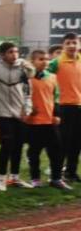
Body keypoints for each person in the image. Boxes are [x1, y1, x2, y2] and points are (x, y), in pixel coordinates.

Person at [0, 42, 32, 190]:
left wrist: (27, 109)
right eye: (10, 52)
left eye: (16, 52)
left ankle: (15, 177)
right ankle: (1, 178)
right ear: (1, 54)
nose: (14, 55)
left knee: (19, 145)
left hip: (19, 112)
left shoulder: (22, 69)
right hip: (2, 112)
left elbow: (27, 90)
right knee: (6, 144)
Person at [25, 49, 70, 189]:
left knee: (56, 150)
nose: (45, 62)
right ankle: (35, 179)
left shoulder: (52, 77)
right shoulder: (26, 79)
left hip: (50, 121)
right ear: (32, 61)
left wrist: (56, 114)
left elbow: (56, 98)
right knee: (34, 152)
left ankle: (56, 178)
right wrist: (28, 109)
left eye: (46, 59)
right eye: (40, 59)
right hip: (33, 122)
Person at [48, 33, 81, 182]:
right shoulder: (56, 63)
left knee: (77, 142)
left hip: (79, 106)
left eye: (74, 42)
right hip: (64, 107)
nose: (72, 46)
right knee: (62, 142)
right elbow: (45, 78)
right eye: (68, 43)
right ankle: (57, 173)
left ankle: (71, 172)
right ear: (63, 46)